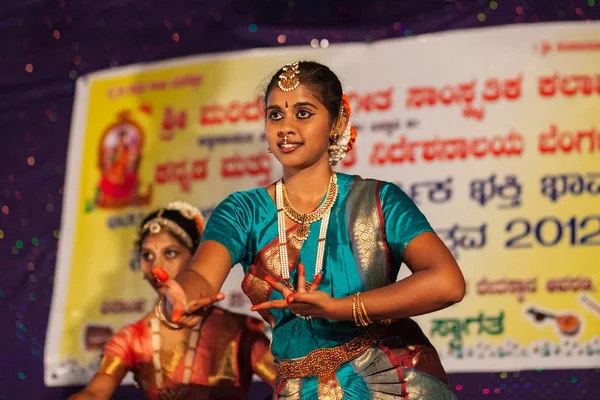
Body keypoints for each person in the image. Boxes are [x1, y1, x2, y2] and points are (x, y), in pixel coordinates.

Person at [156, 61, 466, 399]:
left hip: (389, 382)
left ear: (337, 123)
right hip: (296, 388)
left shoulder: (379, 201)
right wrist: (180, 297)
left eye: (303, 113)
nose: (286, 128)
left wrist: (340, 308)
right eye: (275, 115)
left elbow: (447, 283)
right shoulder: (243, 211)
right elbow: (202, 276)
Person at [70, 201, 277, 400]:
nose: (155, 268)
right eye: (147, 255)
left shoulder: (237, 331)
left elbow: (289, 385)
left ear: (197, 258)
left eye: (170, 253)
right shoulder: (133, 339)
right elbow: (96, 392)